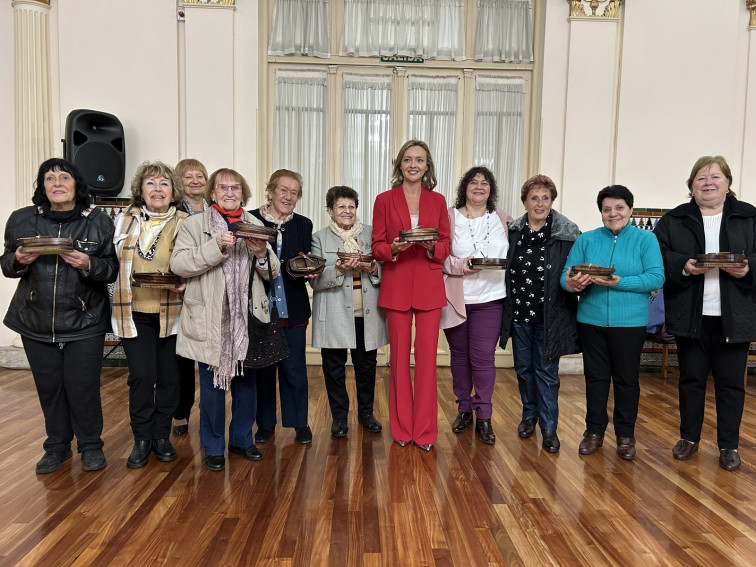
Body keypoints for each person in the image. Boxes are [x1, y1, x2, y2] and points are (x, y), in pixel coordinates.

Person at [1, 158, 118, 473]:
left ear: (76, 184)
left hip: (85, 319)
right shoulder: (21, 220)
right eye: (49, 178)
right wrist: (18, 259)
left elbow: (111, 269)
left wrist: (87, 264)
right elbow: (6, 263)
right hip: (34, 317)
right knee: (49, 386)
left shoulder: (99, 222)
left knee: (82, 386)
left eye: (63, 177)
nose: (56, 183)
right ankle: (57, 447)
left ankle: (91, 446)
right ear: (42, 186)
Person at [171, 168, 278, 471]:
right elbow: (178, 263)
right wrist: (215, 246)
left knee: (247, 385)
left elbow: (273, 271)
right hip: (210, 317)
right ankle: (214, 445)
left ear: (244, 193)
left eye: (236, 188)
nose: (230, 193)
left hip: (248, 319)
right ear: (213, 193)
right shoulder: (194, 224)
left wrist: (260, 254)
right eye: (223, 188)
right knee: (212, 387)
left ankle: (241, 439)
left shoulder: (256, 224)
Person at [655, 155, 756, 471]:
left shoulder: (749, 217)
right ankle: (689, 437)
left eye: (715, 177)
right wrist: (683, 265)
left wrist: (749, 268)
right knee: (691, 380)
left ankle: (729, 445)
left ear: (728, 184)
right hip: (691, 315)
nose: (708, 182)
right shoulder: (675, 219)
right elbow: (659, 254)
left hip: (734, 315)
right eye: (701, 177)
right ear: (691, 186)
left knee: (731, 384)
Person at [561, 185, 663, 461]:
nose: (613, 213)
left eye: (619, 208)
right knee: (595, 379)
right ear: (601, 213)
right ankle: (593, 432)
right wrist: (571, 283)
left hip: (630, 323)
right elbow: (566, 275)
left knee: (626, 380)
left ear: (630, 209)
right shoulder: (588, 240)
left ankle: (625, 436)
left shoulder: (645, 241)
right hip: (591, 320)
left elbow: (656, 277)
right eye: (607, 209)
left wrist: (620, 282)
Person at [371, 140, 450, 452]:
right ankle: (402, 429)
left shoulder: (438, 200)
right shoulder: (384, 200)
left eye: (419, 160)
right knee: (399, 361)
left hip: (430, 288)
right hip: (397, 285)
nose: (413, 165)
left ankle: (426, 432)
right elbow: (377, 246)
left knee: (428, 361)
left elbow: (445, 245)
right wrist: (393, 247)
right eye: (407, 159)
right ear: (399, 165)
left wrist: (430, 246)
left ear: (427, 165)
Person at [112, 161, 188, 469]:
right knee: (142, 377)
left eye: (164, 184)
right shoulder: (122, 220)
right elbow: (110, 259)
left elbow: (193, 261)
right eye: (151, 184)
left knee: (170, 377)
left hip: (172, 312)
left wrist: (186, 281)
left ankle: (161, 436)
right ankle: (141, 438)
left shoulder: (185, 221)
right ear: (140, 191)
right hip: (133, 311)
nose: (158, 189)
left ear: (173, 192)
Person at [500, 174, 580, 453]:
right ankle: (528, 415)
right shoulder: (513, 231)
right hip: (520, 314)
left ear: (552, 201)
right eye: (534, 197)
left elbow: (576, 273)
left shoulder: (567, 234)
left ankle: (549, 427)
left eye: (545, 198)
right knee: (523, 369)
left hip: (551, 316)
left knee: (547, 372)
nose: (540, 203)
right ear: (525, 202)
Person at [440, 166, 512, 445]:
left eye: (485, 182)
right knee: (459, 357)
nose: (479, 186)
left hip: (491, 299)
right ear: (464, 188)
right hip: (455, 298)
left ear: (490, 189)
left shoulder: (503, 219)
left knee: (483, 358)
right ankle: (463, 409)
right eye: (474, 182)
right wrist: (462, 266)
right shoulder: (448, 217)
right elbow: (440, 258)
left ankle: (484, 415)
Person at [311, 186, 388, 438]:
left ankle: (366, 414)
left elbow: (385, 271)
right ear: (330, 211)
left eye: (351, 206)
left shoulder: (371, 234)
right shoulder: (319, 238)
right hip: (333, 314)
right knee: (334, 369)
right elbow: (315, 280)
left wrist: (374, 268)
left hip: (366, 314)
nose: (347, 211)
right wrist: (340, 270)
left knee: (366, 367)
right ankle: (340, 418)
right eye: (341, 207)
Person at [250, 169, 314, 445]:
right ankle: (265, 424)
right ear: (270, 191)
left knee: (294, 369)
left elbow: (303, 260)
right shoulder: (250, 219)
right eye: (283, 190)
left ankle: (299, 422)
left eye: (294, 192)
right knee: (263, 370)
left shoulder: (303, 224)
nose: (288, 197)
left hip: (293, 306)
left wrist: (310, 268)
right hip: (259, 306)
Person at [171, 158, 209, 436]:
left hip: (208, 287)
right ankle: (181, 412)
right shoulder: (173, 212)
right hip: (181, 291)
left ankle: (210, 414)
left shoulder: (215, 210)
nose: (195, 181)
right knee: (182, 359)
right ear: (178, 182)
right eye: (188, 177)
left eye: (200, 176)